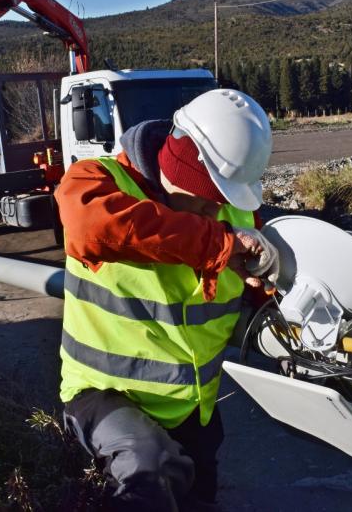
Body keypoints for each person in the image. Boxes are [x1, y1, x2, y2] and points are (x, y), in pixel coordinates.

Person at [54, 89, 278, 511]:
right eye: (209, 197)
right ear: (182, 165)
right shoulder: (98, 182)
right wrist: (218, 245)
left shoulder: (237, 218)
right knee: (149, 470)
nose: (215, 211)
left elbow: (257, 287)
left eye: (225, 199)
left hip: (192, 408)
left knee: (198, 496)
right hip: (106, 394)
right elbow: (89, 227)